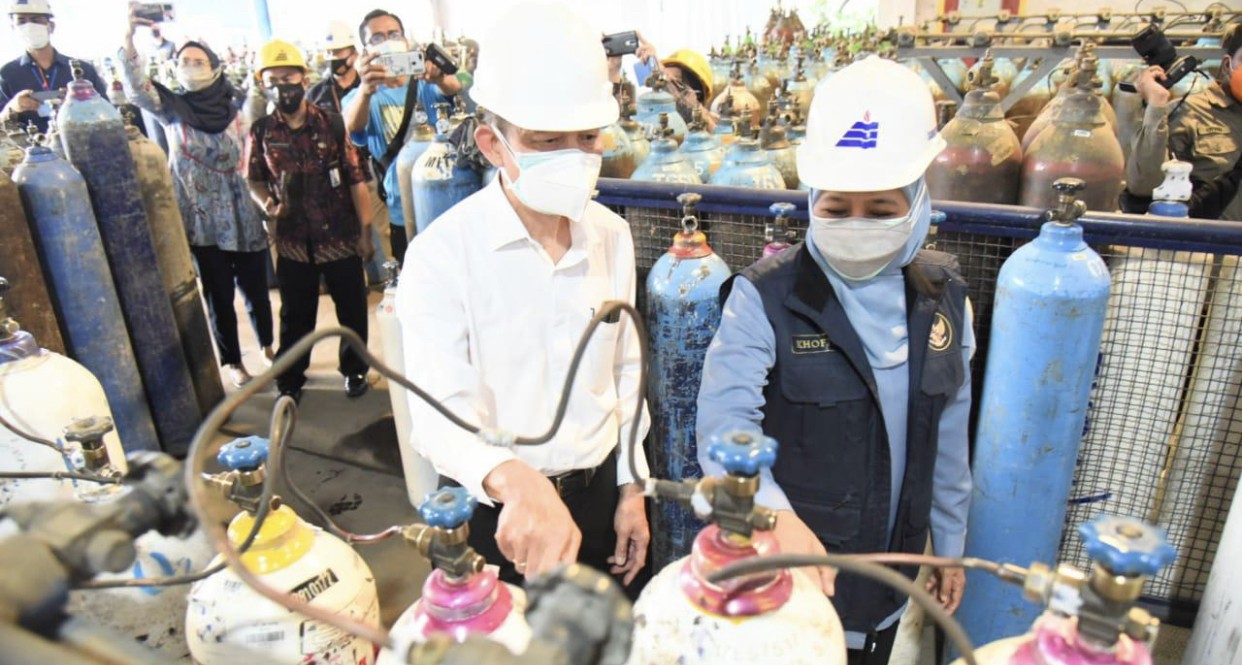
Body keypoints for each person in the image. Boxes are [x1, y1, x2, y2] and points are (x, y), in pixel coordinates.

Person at [696, 56, 972, 665]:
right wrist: (773, 520)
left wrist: (949, 542)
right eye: (837, 207)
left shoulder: (944, 299)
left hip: (893, 574)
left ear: (920, 200)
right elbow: (721, 430)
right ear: (812, 198)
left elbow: (949, 437)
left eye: (880, 209)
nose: (856, 224)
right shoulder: (765, 297)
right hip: (793, 576)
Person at [397, 2, 650, 590]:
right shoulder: (443, 256)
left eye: (587, 137)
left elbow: (627, 372)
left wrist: (631, 485)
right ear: (491, 143)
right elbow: (436, 417)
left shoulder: (612, 235)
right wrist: (512, 478)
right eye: (545, 140)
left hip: (597, 499)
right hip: (497, 516)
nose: (573, 155)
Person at [121, 7, 274, 388]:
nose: (191, 67)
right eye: (184, 61)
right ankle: (233, 362)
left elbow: (265, 89)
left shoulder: (238, 106)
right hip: (202, 218)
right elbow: (135, 87)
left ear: (215, 66)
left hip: (243, 212)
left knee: (256, 288)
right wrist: (128, 38)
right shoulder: (171, 109)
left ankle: (268, 346)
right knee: (218, 293)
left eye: (198, 61)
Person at [245, 40, 374, 402]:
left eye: (288, 77)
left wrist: (365, 233)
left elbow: (355, 180)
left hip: (341, 238)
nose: (282, 86)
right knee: (296, 317)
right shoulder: (261, 132)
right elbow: (252, 178)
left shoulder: (331, 125)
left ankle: (355, 370)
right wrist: (267, 203)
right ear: (263, 84)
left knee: (352, 311)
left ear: (303, 78)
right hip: (293, 243)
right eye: (273, 80)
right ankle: (290, 379)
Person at [343, 8, 463, 264]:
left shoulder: (426, 80)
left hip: (448, 198)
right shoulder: (362, 96)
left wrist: (440, 77)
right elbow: (352, 125)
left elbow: (455, 87)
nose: (387, 40)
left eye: (393, 33)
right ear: (365, 49)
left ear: (405, 39)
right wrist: (365, 89)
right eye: (377, 38)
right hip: (403, 209)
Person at [1126, 22, 1242, 220]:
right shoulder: (1191, 112)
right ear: (1227, 65)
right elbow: (1145, 185)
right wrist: (1156, 105)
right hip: (1210, 246)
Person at [0, 0, 106, 133]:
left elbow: (108, 111)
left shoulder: (82, 69)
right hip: (35, 149)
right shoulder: (7, 74)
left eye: (35, 20)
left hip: (84, 143)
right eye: (21, 21)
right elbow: (2, 126)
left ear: (51, 26)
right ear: (13, 28)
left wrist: (84, 103)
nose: (29, 26)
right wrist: (12, 108)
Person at [308, 20, 360, 113]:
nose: (332, 57)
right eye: (328, 53)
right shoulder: (315, 95)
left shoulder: (368, 87)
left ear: (354, 55)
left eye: (337, 52)